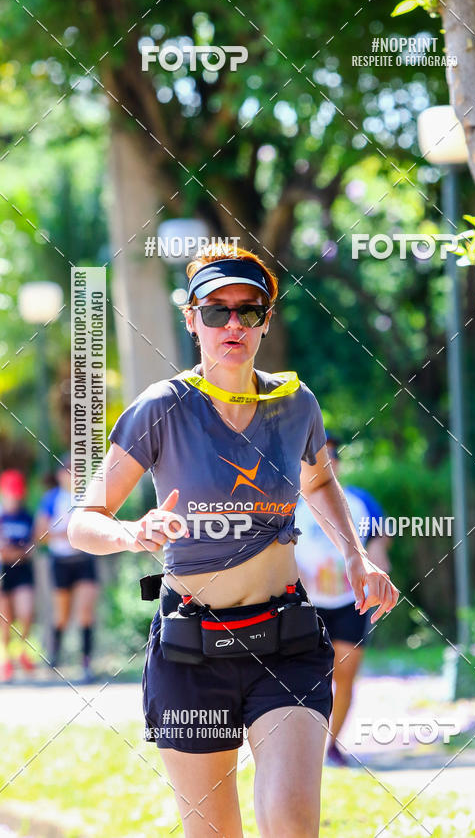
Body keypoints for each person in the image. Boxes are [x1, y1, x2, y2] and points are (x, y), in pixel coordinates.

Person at [68, 247, 400, 838]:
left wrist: (354, 555)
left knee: (292, 825)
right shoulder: (161, 408)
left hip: (286, 642)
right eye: (216, 311)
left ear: (266, 319)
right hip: (192, 649)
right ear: (191, 318)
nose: (233, 326)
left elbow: (319, 479)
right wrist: (131, 532)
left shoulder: (295, 403)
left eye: (249, 312)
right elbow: (83, 520)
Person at [294, 435, 391, 766]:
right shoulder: (290, 506)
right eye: (320, 456)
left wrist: (379, 576)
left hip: (352, 601)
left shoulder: (361, 502)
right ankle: (304, 746)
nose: (328, 460)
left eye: (332, 455)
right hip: (306, 603)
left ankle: (332, 744)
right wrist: (297, 578)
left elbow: (378, 547)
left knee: (345, 671)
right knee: (307, 677)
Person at [35, 455, 99, 682]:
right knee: (61, 615)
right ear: (61, 475)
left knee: (85, 612)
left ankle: (86, 664)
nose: (75, 477)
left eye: (79, 472)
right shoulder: (51, 499)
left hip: (84, 561)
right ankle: (54, 658)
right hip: (60, 562)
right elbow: (40, 534)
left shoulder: (89, 498)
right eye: (70, 472)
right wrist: (65, 534)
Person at [0, 469, 36, 680]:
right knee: (5, 618)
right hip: (4, 572)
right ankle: (6, 660)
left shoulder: (26, 516)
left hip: (22, 571)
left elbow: (31, 546)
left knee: (26, 611)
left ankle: (21, 649)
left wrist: (17, 553)